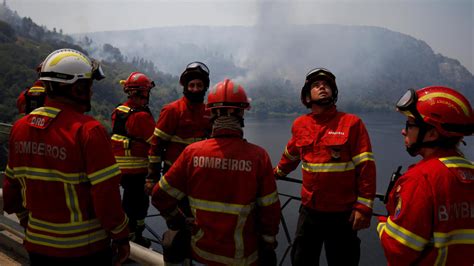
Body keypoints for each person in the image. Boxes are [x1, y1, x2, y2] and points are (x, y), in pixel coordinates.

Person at [2, 48, 130, 265]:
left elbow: (11, 189)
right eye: (88, 86)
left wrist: (26, 221)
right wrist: (120, 234)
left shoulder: (19, 128)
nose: (91, 93)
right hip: (85, 250)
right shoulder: (89, 131)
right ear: (78, 88)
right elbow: (106, 197)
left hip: (37, 245)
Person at [151, 79, 281, 265]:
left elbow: (159, 196)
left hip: (201, 254)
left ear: (211, 113)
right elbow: (270, 212)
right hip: (243, 257)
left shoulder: (192, 153)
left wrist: (180, 220)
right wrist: (268, 242)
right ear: (242, 112)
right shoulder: (258, 157)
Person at [274, 68, 376, 266]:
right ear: (307, 96)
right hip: (309, 212)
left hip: (343, 215)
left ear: (333, 92)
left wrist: (364, 208)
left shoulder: (352, 123)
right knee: (301, 260)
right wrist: (276, 173)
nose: (322, 87)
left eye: (327, 85)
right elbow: (291, 155)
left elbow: (366, 168)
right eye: (316, 85)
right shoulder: (300, 124)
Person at [377, 86, 474, 265]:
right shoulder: (469, 171)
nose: (403, 131)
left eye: (410, 125)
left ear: (432, 133)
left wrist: (384, 222)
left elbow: (398, 251)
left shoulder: (421, 179)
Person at [146, 61, 212, 196]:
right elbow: (156, 145)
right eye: (191, 85)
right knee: (173, 210)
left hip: (199, 172)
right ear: (186, 87)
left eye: (199, 85)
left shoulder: (209, 112)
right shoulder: (172, 110)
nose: (195, 89)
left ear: (205, 87)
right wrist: (152, 178)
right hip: (174, 172)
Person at [111, 72, 156, 247]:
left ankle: (127, 233)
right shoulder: (141, 117)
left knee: (127, 201)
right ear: (144, 93)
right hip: (137, 170)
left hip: (119, 168)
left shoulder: (119, 111)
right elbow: (155, 141)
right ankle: (134, 236)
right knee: (139, 205)